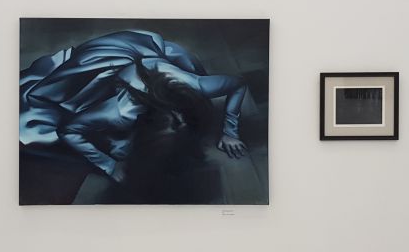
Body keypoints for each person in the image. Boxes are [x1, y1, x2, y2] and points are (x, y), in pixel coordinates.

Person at [20, 30, 249, 183]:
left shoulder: (195, 85)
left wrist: (230, 132)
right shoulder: (121, 112)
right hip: (113, 60)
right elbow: (68, 129)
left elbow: (237, 83)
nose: (180, 122)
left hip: (148, 54)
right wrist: (108, 165)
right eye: (176, 123)